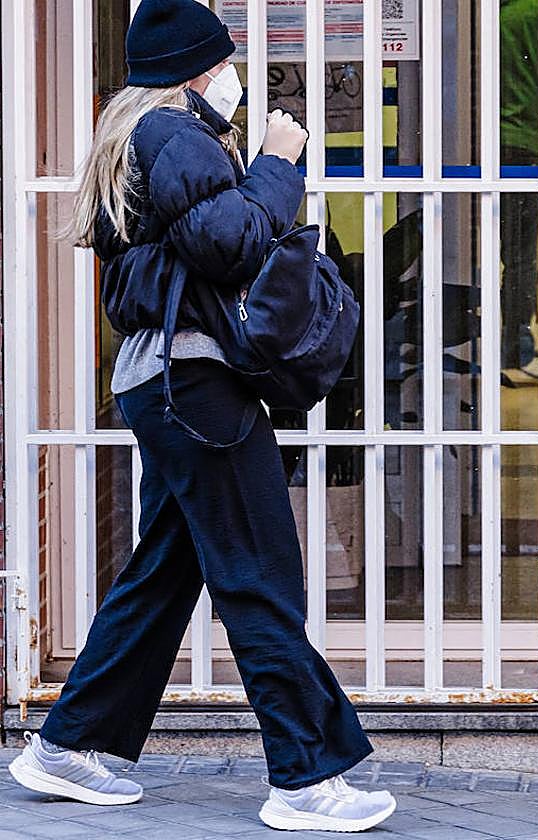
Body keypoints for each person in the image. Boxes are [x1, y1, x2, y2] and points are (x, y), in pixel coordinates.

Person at [5, 0, 395, 832]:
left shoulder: (145, 137)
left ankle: (65, 747)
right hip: (197, 386)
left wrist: (237, 151)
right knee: (258, 574)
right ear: (197, 70)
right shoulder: (174, 137)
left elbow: (191, 244)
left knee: (165, 572)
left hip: (164, 384)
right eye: (223, 64)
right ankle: (302, 779)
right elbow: (236, 243)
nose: (234, 77)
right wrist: (279, 161)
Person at [500, 0, 538, 386]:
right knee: (520, 257)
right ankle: (517, 353)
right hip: (525, 145)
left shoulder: (492, 19)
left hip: (486, 147)